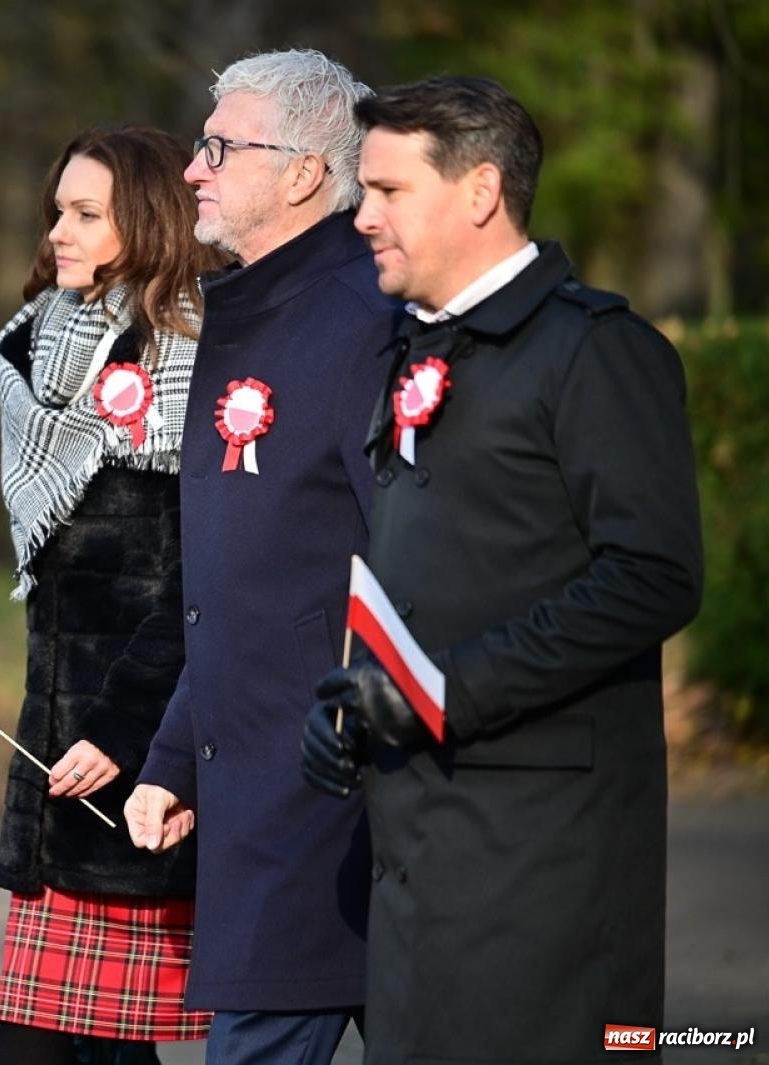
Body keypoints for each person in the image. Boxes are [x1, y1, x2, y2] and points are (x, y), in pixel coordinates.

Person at [301, 76, 704, 1064]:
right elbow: (431, 569)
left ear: (479, 191)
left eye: (389, 191)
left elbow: (653, 575)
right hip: (419, 846)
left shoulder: (592, 351)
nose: (362, 216)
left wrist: (444, 692)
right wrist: (363, 702)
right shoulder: (416, 347)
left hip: (542, 862)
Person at [122, 50, 398, 1065]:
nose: (193, 169)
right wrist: (169, 757)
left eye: (219, 147)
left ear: (300, 175)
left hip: (331, 796)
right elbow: (246, 578)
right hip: (253, 792)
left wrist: (353, 728)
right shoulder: (250, 314)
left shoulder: (361, 323)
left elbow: (404, 566)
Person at [0, 126, 223, 1065]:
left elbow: (199, 582)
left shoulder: (196, 356)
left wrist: (127, 732)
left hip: (142, 759)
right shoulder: (38, 341)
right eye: (58, 211)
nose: (58, 232)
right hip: (55, 754)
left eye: (87, 214)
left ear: (152, 222)